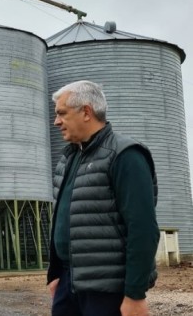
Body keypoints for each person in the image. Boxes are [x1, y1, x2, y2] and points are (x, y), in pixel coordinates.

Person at [47, 80, 160, 316]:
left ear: (86, 112)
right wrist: (57, 275)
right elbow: (63, 220)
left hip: (108, 290)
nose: (56, 121)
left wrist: (135, 294)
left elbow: (142, 229)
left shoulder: (125, 155)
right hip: (69, 284)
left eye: (61, 113)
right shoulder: (69, 159)